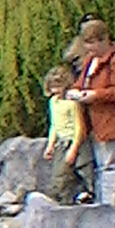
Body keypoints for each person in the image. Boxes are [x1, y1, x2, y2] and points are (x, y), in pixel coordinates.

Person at [67, 17, 115, 206]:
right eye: (86, 44)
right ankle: (104, 203)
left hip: (113, 121)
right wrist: (74, 91)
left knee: (111, 167)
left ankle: (111, 208)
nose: (89, 49)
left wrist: (94, 95)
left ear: (104, 39)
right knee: (101, 167)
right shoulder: (90, 61)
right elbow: (80, 84)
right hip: (95, 123)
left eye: (92, 43)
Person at [43, 65, 90, 204]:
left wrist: (73, 149)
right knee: (59, 177)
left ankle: (83, 198)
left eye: (58, 87)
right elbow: (54, 125)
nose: (55, 91)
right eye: (52, 87)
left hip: (75, 142)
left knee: (83, 173)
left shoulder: (72, 104)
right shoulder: (53, 102)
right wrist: (50, 145)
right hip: (61, 142)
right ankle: (63, 202)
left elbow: (79, 127)